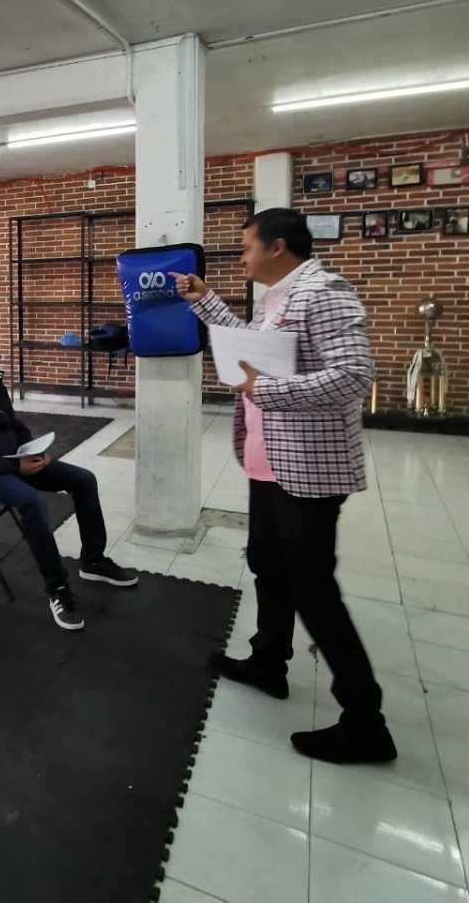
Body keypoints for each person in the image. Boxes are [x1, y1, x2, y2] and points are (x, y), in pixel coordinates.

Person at [172, 207, 396, 765]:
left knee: (313, 591)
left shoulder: (326, 292)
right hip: (268, 464)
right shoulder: (278, 301)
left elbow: (352, 376)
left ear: (277, 248)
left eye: (247, 248)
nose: (242, 257)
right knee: (268, 567)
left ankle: (366, 722)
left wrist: (265, 390)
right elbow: (253, 345)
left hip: (307, 471)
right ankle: (268, 663)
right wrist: (204, 299)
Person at [0, 333, 137, 631]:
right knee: (32, 502)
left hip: (15, 459)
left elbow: (16, 426)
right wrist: (15, 465)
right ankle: (57, 588)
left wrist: (33, 449)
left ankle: (93, 561)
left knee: (84, 480)